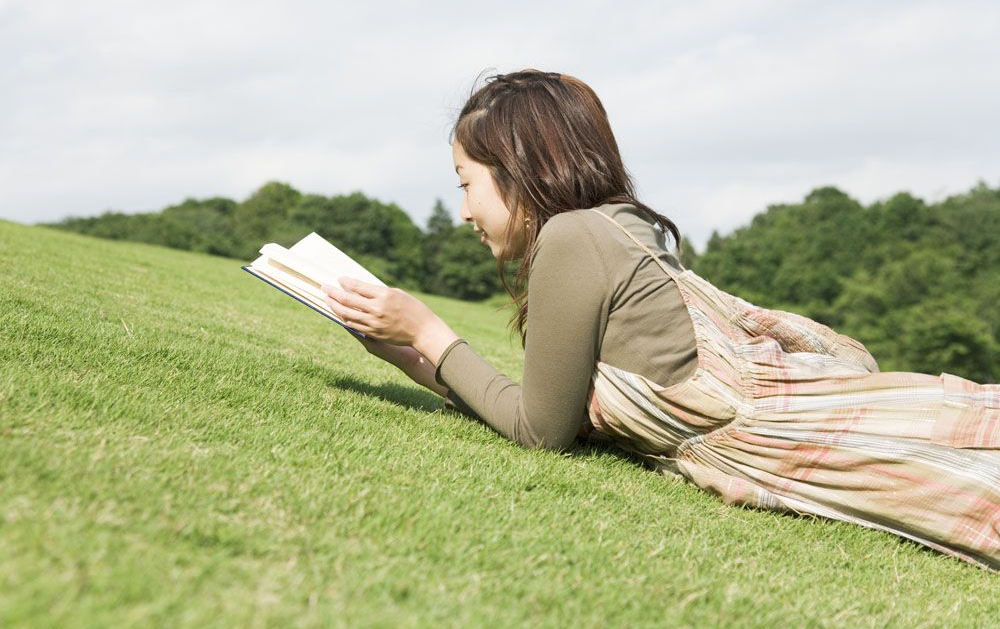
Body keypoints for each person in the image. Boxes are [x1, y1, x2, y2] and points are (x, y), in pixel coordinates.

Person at [322, 69, 1000, 570]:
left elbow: (543, 433)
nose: (464, 211)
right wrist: (411, 356)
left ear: (519, 170)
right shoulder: (615, 226)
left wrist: (429, 333)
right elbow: (552, 412)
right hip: (833, 427)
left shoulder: (573, 238)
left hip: (830, 440)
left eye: (466, 183)